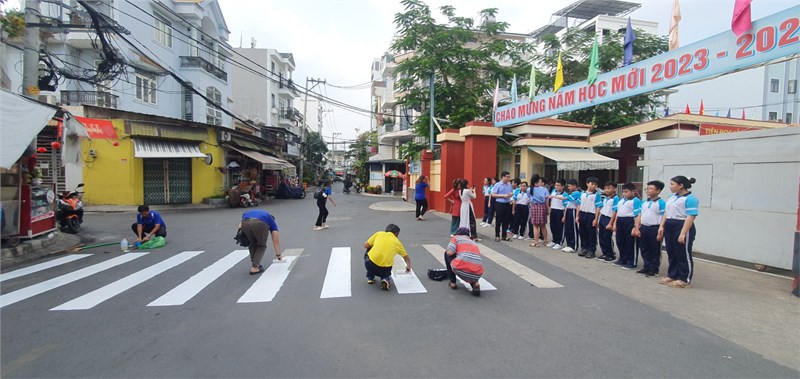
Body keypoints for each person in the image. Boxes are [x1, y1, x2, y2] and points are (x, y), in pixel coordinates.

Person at [659, 176, 699, 288]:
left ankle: (684, 279)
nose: (670, 186)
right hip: (670, 224)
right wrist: (662, 226)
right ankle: (672, 274)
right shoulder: (671, 197)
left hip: (682, 225)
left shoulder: (690, 198)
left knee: (683, 253)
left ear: (681, 185)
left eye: (672, 184)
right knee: (672, 252)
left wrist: (683, 233)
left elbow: (691, 216)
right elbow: (667, 213)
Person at [363, 223, 411, 291]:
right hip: (385, 269)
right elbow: (406, 257)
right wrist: (408, 267)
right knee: (386, 270)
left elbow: (365, 245)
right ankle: (385, 279)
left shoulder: (379, 234)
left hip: (370, 265)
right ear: (396, 234)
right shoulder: (398, 243)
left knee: (369, 249)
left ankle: (370, 277)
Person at [636, 180, 666, 276]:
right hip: (644, 227)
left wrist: (661, 230)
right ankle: (646, 266)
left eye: (650, 188)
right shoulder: (644, 202)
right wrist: (637, 227)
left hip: (655, 228)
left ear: (658, 191)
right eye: (647, 188)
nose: (647, 190)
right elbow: (639, 215)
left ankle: (654, 269)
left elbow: (663, 217)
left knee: (655, 249)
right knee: (644, 248)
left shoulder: (661, 203)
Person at [239, 209, 281, 275]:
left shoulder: (253, 213)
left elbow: (239, 226)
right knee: (261, 245)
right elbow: (275, 239)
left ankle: (255, 263)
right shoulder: (271, 221)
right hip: (260, 223)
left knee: (252, 243)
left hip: (245, 222)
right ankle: (255, 267)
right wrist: (278, 255)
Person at [445, 227, 485, 296]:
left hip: (461, 268)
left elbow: (449, 253)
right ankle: (475, 283)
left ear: (457, 233)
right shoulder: (473, 242)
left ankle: (453, 282)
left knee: (446, 254)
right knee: (470, 267)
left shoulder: (456, 238)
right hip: (478, 272)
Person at [612, 183, 642, 269]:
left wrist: (635, 227)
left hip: (629, 221)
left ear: (633, 192)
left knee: (630, 243)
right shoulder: (621, 201)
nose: (624, 193)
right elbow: (617, 213)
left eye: (626, 191)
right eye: (623, 192)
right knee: (620, 241)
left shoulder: (636, 201)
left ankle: (631, 262)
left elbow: (637, 215)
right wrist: (614, 223)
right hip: (620, 221)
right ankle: (622, 259)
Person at [554, 179, 581, 253]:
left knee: (573, 229)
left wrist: (555, 197)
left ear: (574, 186)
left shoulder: (577, 193)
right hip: (568, 210)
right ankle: (569, 244)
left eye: (569, 186)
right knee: (568, 228)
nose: (568, 188)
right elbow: (567, 205)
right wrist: (565, 215)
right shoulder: (572, 193)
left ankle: (574, 246)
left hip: (573, 211)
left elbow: (566, 198)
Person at [578, 177, 601, 258]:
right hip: (582, 214)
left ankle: (591, 250)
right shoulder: (582, 194)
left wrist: (596, 219)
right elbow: (579, 204)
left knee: (591, 233)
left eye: (595, 184)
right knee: (582, 232)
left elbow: (598, 207)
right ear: (587, 184)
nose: (594, 186)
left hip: (591, 215)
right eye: (592, 184)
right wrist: (577, 216)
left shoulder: (597, 195)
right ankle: (584, 248)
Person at [597, 182, 619, 262]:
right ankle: (604, 253)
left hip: (609, 218)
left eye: (609, 188)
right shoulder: (605, 198)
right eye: (605, 188)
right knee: (601, 236)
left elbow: (615, 211)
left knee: (607, 237)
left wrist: (611, 223)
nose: (606, 190)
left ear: (614, 189)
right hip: (603, 217)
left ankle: (610, 254)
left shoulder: (616, 199)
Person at [490, 171, 513, 242]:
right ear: (503, 177)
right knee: (499, 220)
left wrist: (510, 194)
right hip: (499, 204)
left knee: (506, 220)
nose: (508, 178)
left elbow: (512, 192)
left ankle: (504, 235)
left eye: (509, 177)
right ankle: (497, 235)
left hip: (507, 204)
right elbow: (493, 194)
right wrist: (503, 195)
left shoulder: (509, 184)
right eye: (507, 177)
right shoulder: (497, 184)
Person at [529, 175, 549, 247]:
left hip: (534, 206)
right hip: (542, 206)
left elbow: (530, 197)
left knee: (535, 226)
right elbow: (547, 200)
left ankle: (536, 242)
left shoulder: (530, 189)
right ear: (538, 181)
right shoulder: (544, 189)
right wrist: (547, 209)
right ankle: (545, 241)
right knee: (543, 225)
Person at [547, 179, 567, 250]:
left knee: (559, 227)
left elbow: (565, 206)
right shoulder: (553, 191)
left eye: (558, 185)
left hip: (560, 211)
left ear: (563, 186)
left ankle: (559, 242)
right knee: (553, 226)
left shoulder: (565, 194)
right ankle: (554, 240)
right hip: (553, 210)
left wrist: (564, 216)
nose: (556, 187)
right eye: (556, 185)